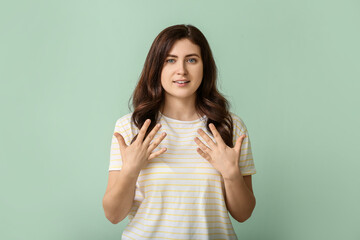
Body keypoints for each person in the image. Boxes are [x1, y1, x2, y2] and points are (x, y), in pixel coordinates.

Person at [102, 24, 256, 239]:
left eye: (191, 60)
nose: (181, 70)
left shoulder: (230, 126)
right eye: (170, 60)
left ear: (205, 66)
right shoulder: (130, 127)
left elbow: (244, 213)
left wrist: (231, 175)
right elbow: (113, 215)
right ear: (156, 67)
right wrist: (130, 170)